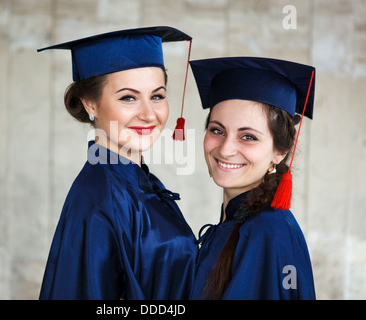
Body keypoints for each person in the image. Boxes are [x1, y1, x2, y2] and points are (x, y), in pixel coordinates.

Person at [36, 26, 198, 299]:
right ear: (90, 104)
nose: (148, 114)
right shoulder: (102, 197)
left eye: (157, 96)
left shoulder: (133, 181)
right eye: (128, 97)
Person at [189, 57, 316, 300]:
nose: (225, 149)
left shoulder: (267, 232)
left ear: (279, 152)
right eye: (217, 130)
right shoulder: (241, 221)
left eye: (248, 137)